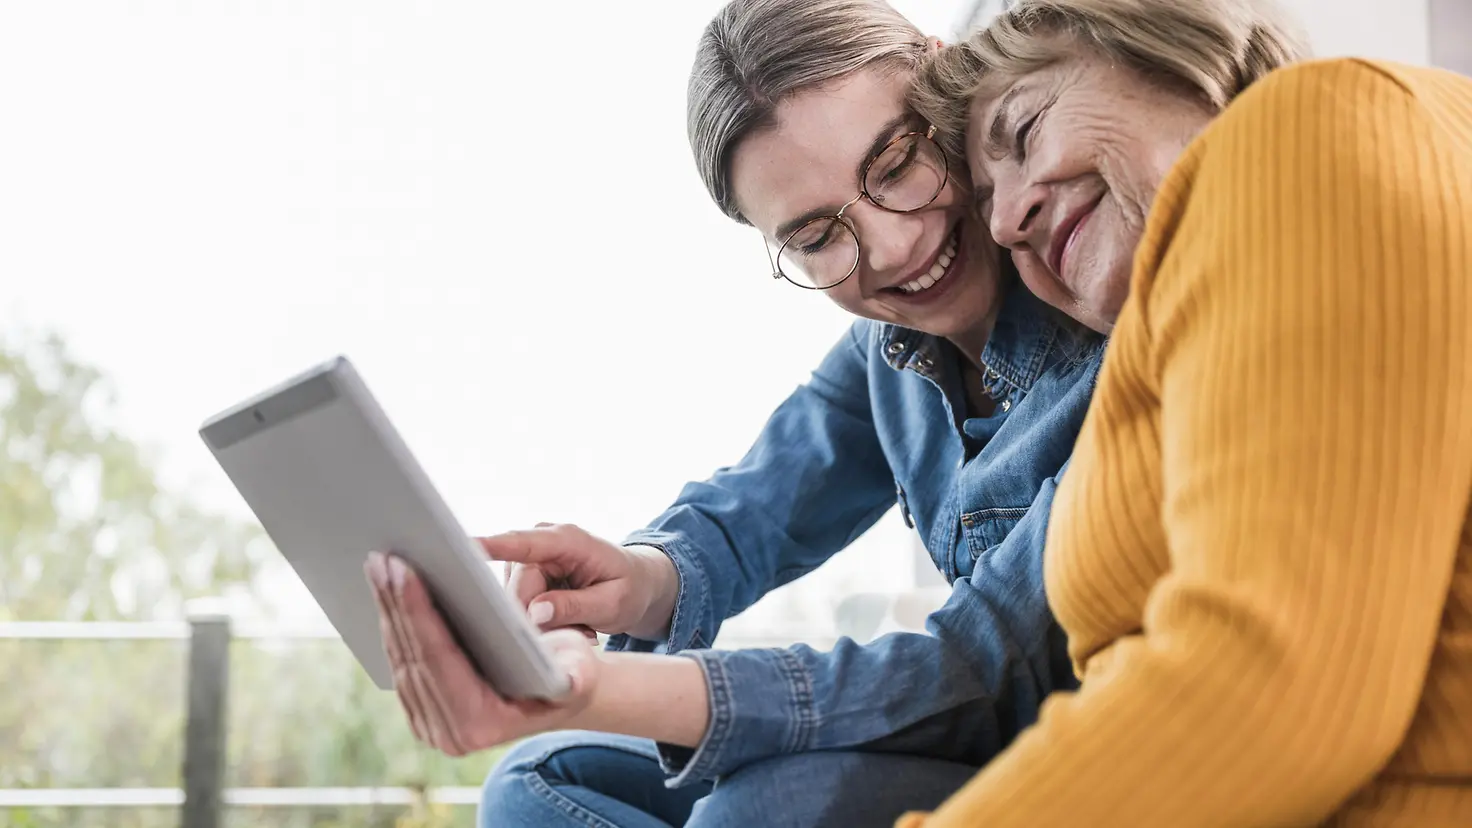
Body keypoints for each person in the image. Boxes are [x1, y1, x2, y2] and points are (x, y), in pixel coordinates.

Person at [365, 1, 1302, 826]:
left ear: (945, 81)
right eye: (817, 236)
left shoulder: (1107, 295)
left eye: (896, 162)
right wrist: (638, 581)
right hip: (961, 731)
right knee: (539, 781)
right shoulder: (889, 353)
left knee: (762, 811)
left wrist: (605, 687)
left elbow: (983, 667)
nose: (892, 246)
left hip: (1067, 744)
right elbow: (760, 503)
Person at [894, 0, 1472, 825]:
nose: (1006, 220)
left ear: (1165, 45)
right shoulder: (1177, 335)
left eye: (1023, 134)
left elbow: (1272, 690)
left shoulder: (1309, 127)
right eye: (989, 204)